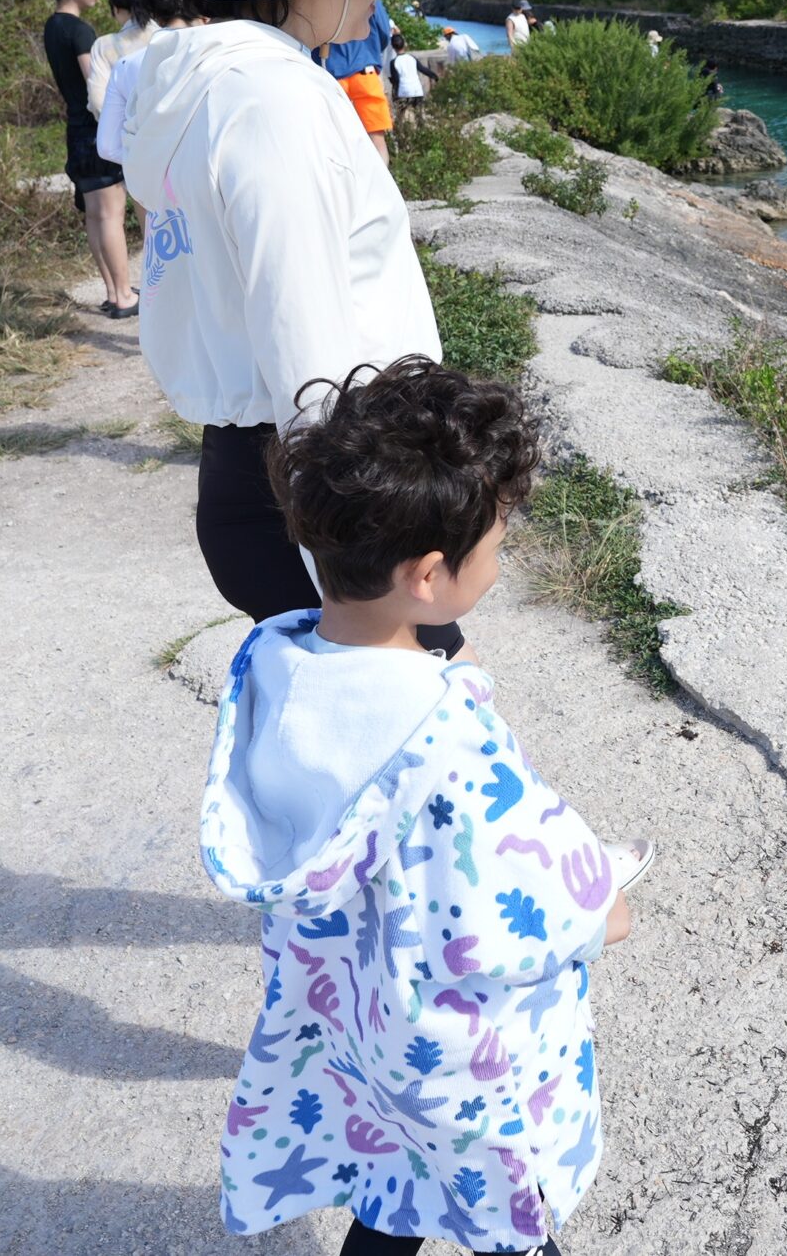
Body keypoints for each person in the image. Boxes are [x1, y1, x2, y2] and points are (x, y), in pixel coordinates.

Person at [200, 358, 626, 1253]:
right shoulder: (446, 737)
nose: (501, 559)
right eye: (498, 546)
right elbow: (527, 886)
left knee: (392, 1175)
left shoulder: (275, 665)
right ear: (428, 576)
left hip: (353, 1019)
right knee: (503, 1202)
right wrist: (604, 906)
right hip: (450, 1050)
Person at [119, 0, 454, 637]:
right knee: (422, 739)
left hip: (261, 470)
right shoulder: (274, 102)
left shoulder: (209, 82)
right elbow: (306, 347)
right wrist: (379, 579)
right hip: (318, 490)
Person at [40, 0, 138, 318]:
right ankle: (126, 296)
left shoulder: (53, 26)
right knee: (111, 214)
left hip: (74, 129)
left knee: (95, 217)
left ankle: (114, 292)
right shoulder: (81, 32)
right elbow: (96, 85)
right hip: (95, 129)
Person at [94, 0, 198, 166]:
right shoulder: (217, 53)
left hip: (155, 181)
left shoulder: (125, 63)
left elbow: (107, 147)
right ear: (202, 16)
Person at [319, 0, 397, 160]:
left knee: (336, 141)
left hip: (331, 74)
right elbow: (384, 33)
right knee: (377, 140)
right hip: (365, 72)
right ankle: (378, 184)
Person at [86, 0, 158, 120]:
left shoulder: (104, 46)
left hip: (127, 137)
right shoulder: (170, 35)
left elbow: (98, 102)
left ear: (116, 8)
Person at [388, 31, 428, 114]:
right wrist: (434, 76)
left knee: (401, 115)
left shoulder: (394, 62)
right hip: (417, 91)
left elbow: (396, 81)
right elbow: (423, 69)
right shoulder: (412, 58)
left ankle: (402, 125)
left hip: (403, 92)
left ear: (392, 46)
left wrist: (390, 80)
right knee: (419, 114)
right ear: (404, 44)